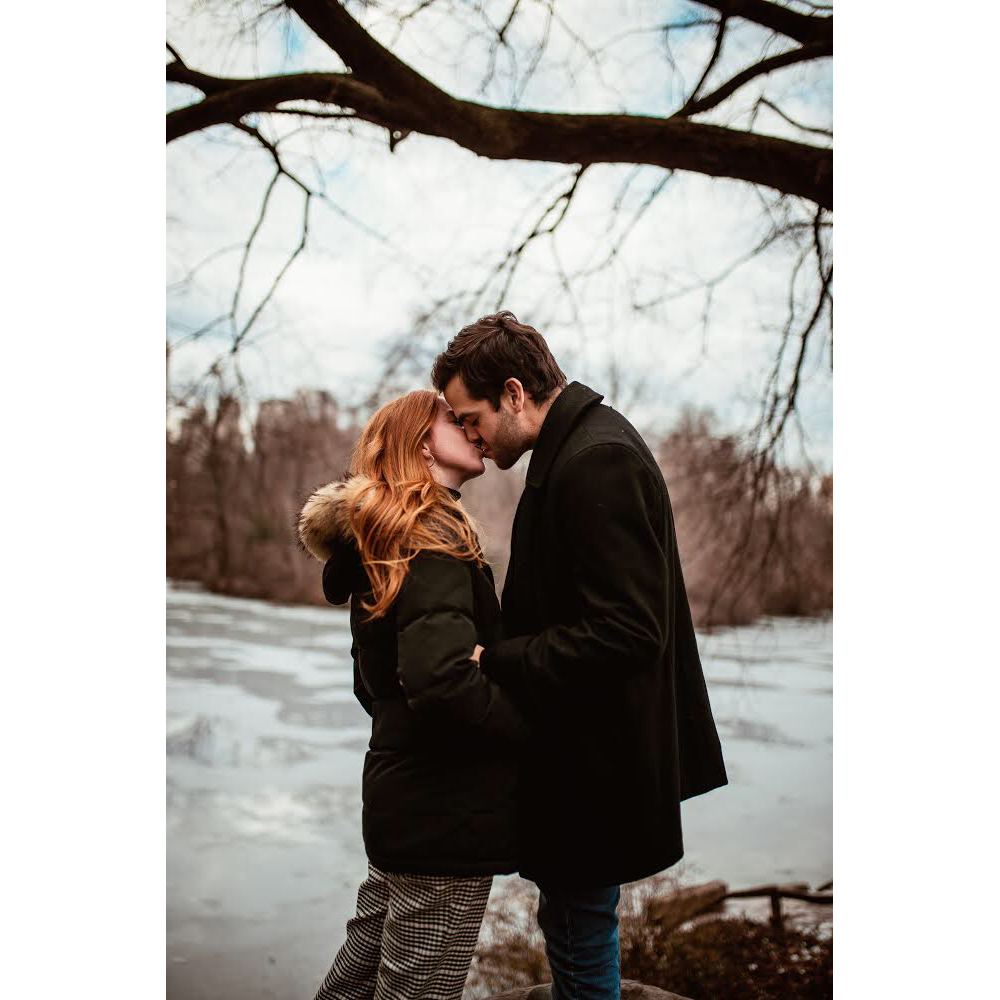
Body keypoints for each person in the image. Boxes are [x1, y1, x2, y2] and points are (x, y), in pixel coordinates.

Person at [432, 311, 728, 1000]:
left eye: (472, 418)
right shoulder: (579, 448)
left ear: (513, 393)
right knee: (575, 928)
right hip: (587, 765)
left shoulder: (597, 459)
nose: (470, 436)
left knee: (580, 936)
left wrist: (497, 659)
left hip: (595, 773)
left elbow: (629, 630)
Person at [297, 389, 528, 1000]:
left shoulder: (386, 537)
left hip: (406, 802)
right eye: (454, 420)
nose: (473, 430)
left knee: (354, 985)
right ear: (421, 444)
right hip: (447, 815)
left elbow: (373, 684)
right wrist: (525, 727)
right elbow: (440, 678)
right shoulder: (431, 532)